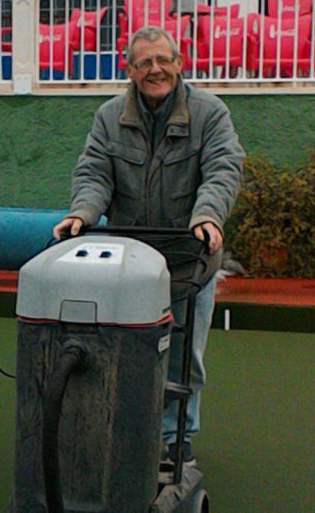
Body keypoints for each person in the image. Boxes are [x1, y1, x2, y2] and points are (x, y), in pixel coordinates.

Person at [53, 26, 244, 466]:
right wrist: (82, 213)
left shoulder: (209, 113)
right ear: (130, 69)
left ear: (179, 63)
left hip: (188, 258)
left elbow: (223, 168)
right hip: (129, 264)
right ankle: (126, 432)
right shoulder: (109, 117)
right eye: (144, 63)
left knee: (181, 356)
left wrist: (208, 216)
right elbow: (95, 172)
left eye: (163, 60)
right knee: (122, 350)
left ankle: (177, 440)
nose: (155, 69)